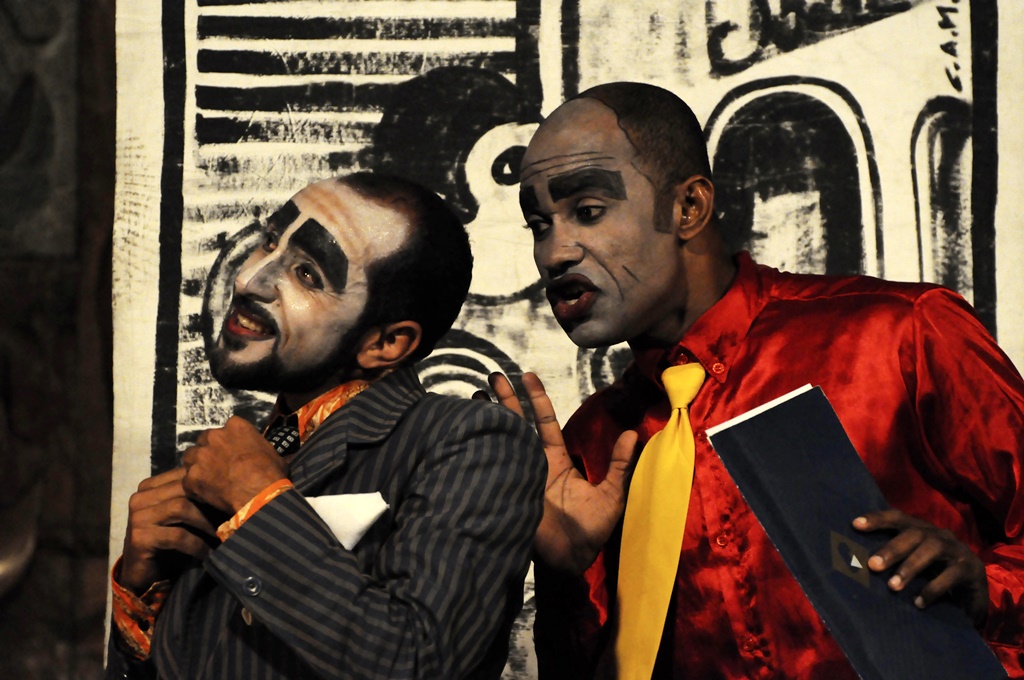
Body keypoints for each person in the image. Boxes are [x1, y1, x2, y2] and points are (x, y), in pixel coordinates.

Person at [485, 82, 1024, 678]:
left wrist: (987, 590)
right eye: (538, 224)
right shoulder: (591, 446)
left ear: (689, 208)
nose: (553, 253)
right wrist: (564, 577)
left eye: (588, 211)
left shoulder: (900, 334)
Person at [106, 172, 546, 679]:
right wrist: (141, 597)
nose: (250, 279)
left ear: (385, 344)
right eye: (270, 240)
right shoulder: (230, 460)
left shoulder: (471, 441)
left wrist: (257, 502)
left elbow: (418, 661)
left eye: (307, 274)